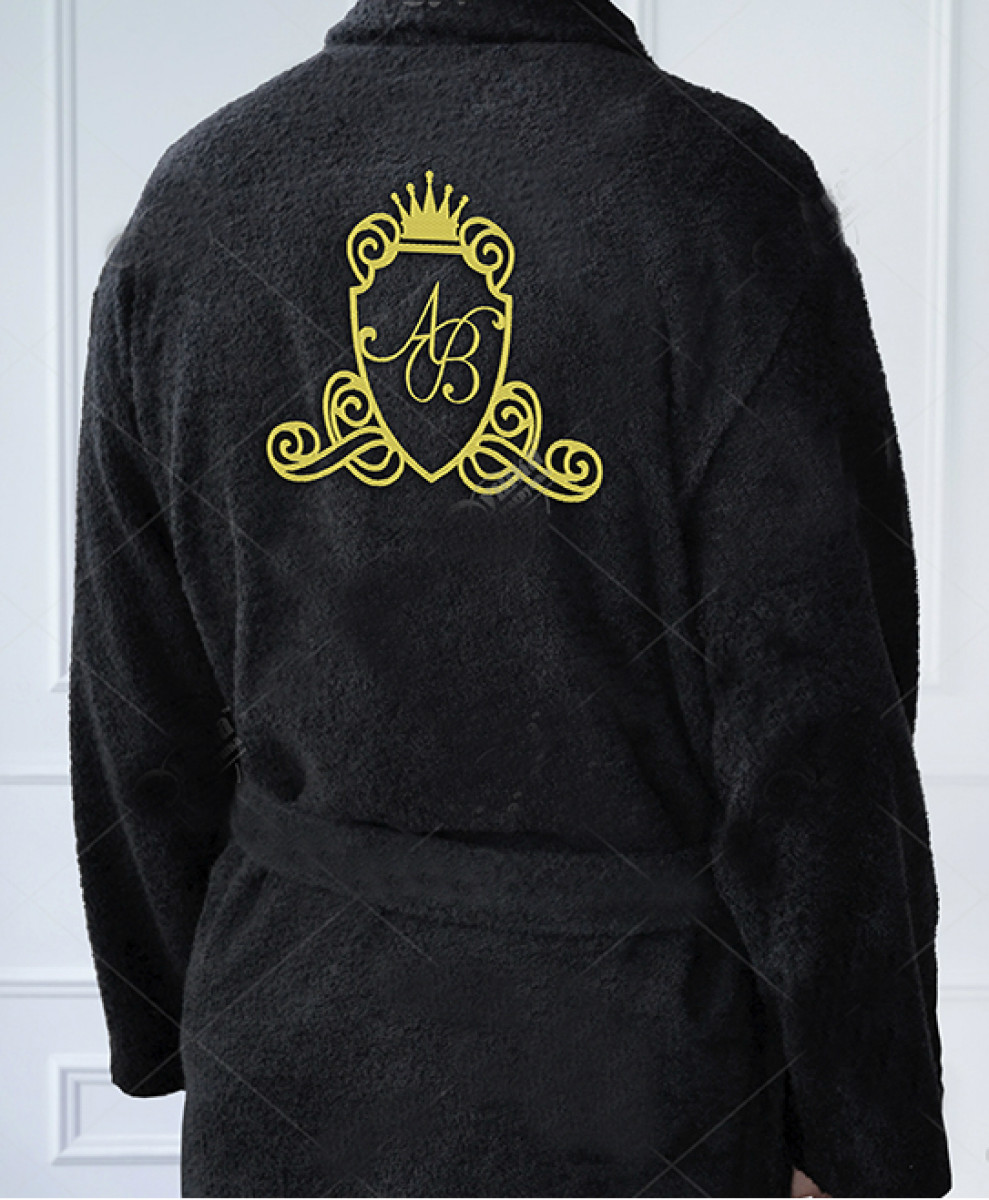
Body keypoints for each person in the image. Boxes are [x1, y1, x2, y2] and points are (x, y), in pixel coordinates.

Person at [68, 0, 951, 1195]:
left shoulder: (198, 197)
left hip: (291, 1057)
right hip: (643, 1082)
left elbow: (133, 693)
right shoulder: (718, 195)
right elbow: (818, 726)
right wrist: (859, 1136)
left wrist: (167, 1015)